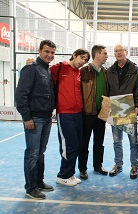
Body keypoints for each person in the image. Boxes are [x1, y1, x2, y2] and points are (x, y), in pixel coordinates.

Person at [15, 40, 56, 199]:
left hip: (46, 118)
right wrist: (27, 117)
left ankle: (39, 182)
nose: (50, 55)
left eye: (52, 52)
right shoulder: (30, 69)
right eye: (47, 51)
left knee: (40, 152)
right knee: (32, 153)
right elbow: (20, 96)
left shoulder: (46, 70)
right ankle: (30, 187)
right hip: (34, 119)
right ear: (39, 51)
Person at [50, 48, 90, 186]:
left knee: (77, 145)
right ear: (74, 55)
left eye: (85, 60)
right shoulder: (59, 68)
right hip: (64, 113)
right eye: (82, 58)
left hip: (77, 113)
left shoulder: (79, 72)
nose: (83, 62)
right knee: (69, 146)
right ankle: (63, 175)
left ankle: (70, 174)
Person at [106, 44, 138, 179]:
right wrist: (108, 108)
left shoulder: (135, 70)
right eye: (116, 51)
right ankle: (118, 165)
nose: (118, 53)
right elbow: (108, 90)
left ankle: (134, 166)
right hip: (115, 107)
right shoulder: (109, 71)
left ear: (126, 52)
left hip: (129, 107)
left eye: (121, 50)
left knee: (133, 140)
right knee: (117, 140)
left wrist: (137, 107)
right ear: (114, 54)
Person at [78, 45, 109, 180]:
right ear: (97, 55)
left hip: (101, 112)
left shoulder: (105, 72)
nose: (106, 56)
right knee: (84, 142)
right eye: (104, 53)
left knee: (99, 141)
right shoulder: (83, 71)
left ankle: (98, 165)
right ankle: (82, 168)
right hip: (87, 113)